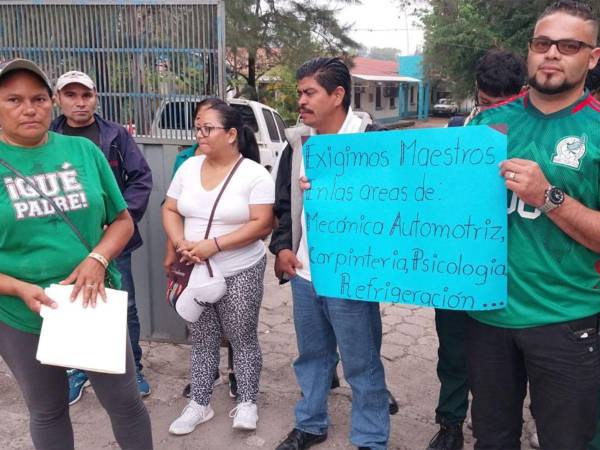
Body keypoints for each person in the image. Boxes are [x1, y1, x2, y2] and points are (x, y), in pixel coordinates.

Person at [466, 1, 600, 449]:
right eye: (543, 43)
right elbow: (430, 203)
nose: (552, 54)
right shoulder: (486, 123)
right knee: (492, 438)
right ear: (530, 50)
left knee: (567, 441)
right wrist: (336, 190)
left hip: (565, 319)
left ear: (592, 56)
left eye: (569, 45)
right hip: (487, 316)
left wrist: (549, 197)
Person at [0, 58, 153, 450]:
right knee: (48, 409)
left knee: (124, 403)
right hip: (20, 314)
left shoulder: (83, 151)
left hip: (91, 302)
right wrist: (17, 287)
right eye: (14, 99)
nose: (29, 108)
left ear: (51, 103)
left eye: (38, 98)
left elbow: (122, 221)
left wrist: (98, 258)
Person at [270, 57, 389, 450]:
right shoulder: (299, 144)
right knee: (312, 356)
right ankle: (311, 423)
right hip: (305, 273)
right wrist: (283, 247)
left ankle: (371, 437)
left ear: (338, 95)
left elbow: (394, 206)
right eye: (299, 93)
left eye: (309, 93)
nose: (300, 101)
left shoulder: (373, 141)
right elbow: (284, 204)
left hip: (351, 275)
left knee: (362, 362)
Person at [428, 49, 526, 450]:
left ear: (521, 94)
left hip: (511, 271)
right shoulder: (457, 129)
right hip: (456, 266)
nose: (490, 113)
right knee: (453, 352)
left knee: (507, 362)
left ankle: (512, 422)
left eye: (501, 105)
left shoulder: (535, 135)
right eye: (485, 103)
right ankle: (450, 423)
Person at [163, 97, 274, 434]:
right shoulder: (188, 168)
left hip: (240, 268)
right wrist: (181, 242)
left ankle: (247, 401)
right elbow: (170, 209)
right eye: (198, 127)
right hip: (195, 269)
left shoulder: (254, 175)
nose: (200, 134)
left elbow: (262, 224)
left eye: (208, 128)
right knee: (201, 337)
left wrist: (214, 246)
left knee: (241, 336)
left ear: (230, 134)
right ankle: (199, 403)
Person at [50, 70, 153, 401]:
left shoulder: (115, 135)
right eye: (71, 95)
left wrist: (120, 221)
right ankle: (78, 370)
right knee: (71, 303)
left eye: (86, 95)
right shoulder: (48, 136)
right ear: (58, 100)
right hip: (65, 242)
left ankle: (132, 369)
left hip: (112, 240)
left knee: (124, 304)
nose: (80, 103)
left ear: (96, 97)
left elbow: (140, 179)